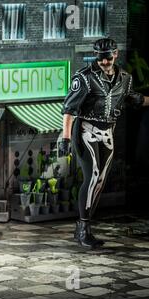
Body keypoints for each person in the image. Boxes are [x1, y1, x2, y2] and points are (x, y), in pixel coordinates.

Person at [59, 38, 149, 249]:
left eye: (108, 58)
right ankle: (83, 229)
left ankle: (84, 225)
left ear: (115, 54)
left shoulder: (125, 78)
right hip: (85, 131)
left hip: (108, 133)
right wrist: (64, 138)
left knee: (100, 182)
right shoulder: (84, 77)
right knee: (92, 177)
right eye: (101, 59)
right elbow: (69, 108)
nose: (105, 62)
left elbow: (135, 99)